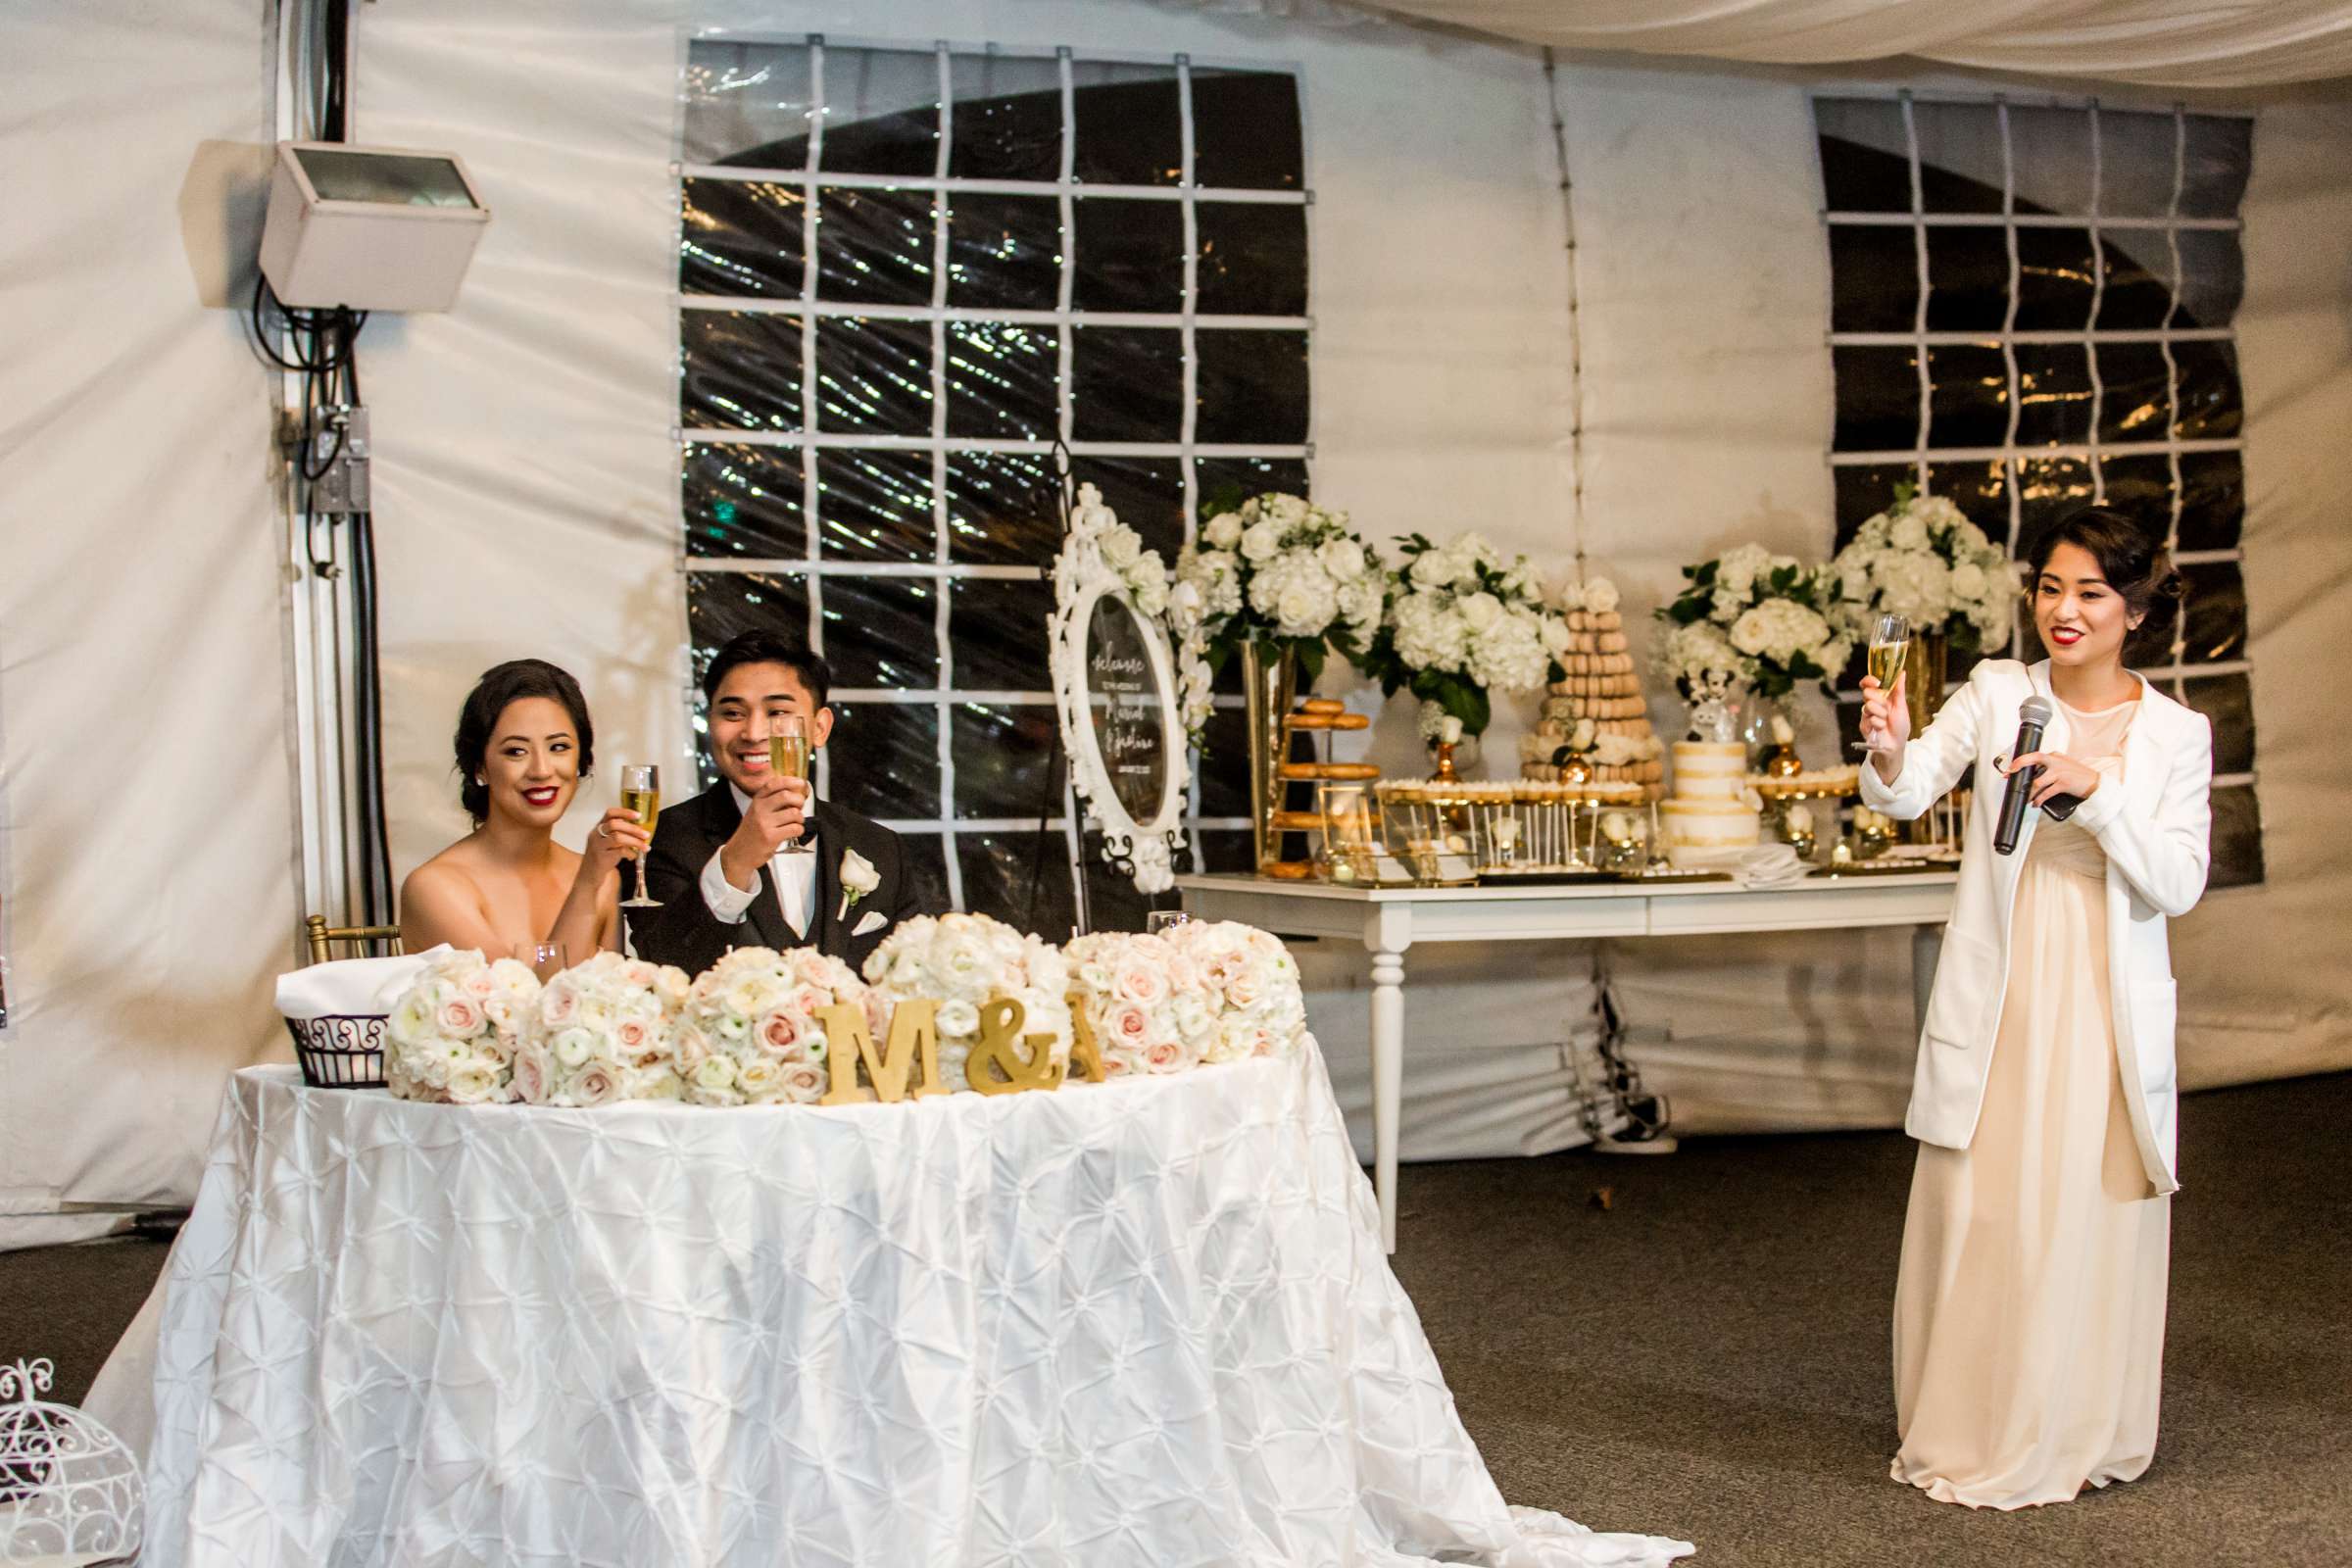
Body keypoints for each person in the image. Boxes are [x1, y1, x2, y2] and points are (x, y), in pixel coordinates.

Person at [1858, 508, 2213, 1509]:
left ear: (2135, 610)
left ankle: (2078, 1421)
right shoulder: (1998, 691)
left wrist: (2097, 795)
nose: (2065, 610)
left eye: (2092, 592)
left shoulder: (2178, 732)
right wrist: (1886, 750)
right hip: (2004, 979)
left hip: (2102, 993)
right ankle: (1977, 1416)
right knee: (1987, 1196)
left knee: (2084, 1195)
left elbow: (2177, 883)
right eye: (2052, 587)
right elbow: (1907, 791)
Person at [626, 631, 924, 974]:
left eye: (777, 712)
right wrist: (736, 861)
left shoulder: (880, 846)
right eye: (733, 713)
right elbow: (665, 968)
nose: (753, 733)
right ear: (710, 722)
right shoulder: (660, 839)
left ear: (820, 727)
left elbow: (909, 976)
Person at [399, 659, 648, 961]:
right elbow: (527, 1003)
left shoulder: (603, 878)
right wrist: (585, 887)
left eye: (558, 747)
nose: (542, 770)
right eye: (516, 751)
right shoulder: (435, 888)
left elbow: (606, 1001)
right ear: (480, 768)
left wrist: (591, 879)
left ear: (580, 760)